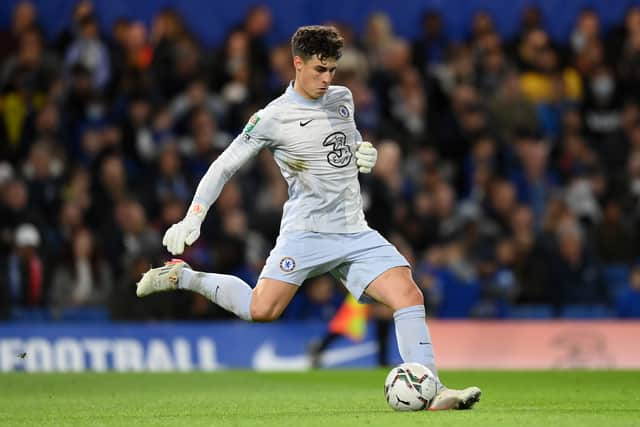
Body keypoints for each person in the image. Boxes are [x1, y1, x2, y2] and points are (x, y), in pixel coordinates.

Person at [136, 25, 480, 410]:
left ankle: (432, 389)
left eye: (333, 70)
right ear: (297, 64)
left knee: (408, 295)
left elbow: (343, 147)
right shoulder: (272, 118)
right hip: (307, 233)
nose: (327, 78)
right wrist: (193, 218)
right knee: (260, 310)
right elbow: (223, 166)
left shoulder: (342, 99)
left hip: (353, 230)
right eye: (320, 69)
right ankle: (184, 276)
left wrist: (364, 155)